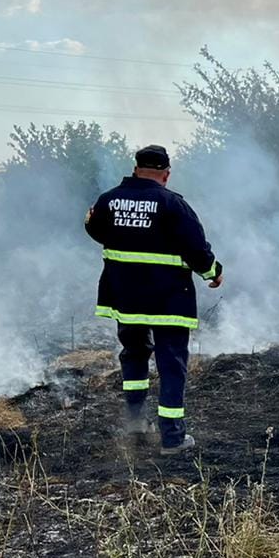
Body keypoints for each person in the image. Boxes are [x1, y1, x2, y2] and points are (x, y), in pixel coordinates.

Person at [84, 144, 223, 455]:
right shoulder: (173, 204)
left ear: (136, 168)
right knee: (171, 364)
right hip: (167, 301)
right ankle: (172, 438)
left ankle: (134, 423)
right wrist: (213, 272)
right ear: (166, 174)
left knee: (133, 354)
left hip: (125, 297)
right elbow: (197, 250)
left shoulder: (108, 200)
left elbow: (94, 229)